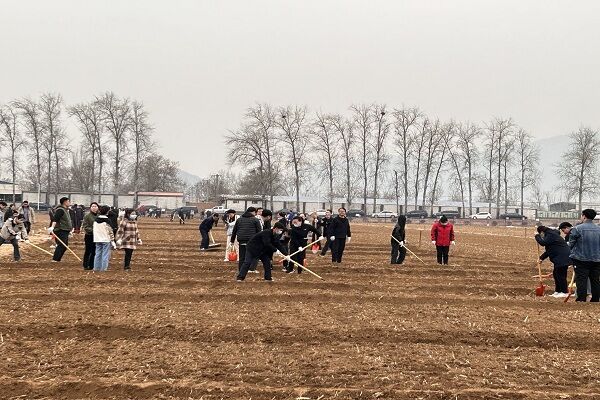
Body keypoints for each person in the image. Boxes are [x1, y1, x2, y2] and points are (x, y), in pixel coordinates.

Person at [567, 209, 600, 302]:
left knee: (581, 280)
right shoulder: (599, 229)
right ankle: (596, 299)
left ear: (584, 216)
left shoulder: (577, 229)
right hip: (597, 259)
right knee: (595, 280)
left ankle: (581, 299)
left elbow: (571, 244)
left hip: (581, 259)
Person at [535, 226, 571, 297]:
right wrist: (541, 258)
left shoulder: (551, 235)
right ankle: (558, 291)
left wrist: (537, 236)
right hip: (559, 258)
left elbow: (543, 243)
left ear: (542, 232)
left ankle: (564, 292)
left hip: (562, 257)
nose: (542, 237)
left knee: (560, 275)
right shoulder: (550, 235)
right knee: (556, 274)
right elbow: (549, 250)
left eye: (541, 235)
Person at [48, 197, 73, 262]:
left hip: (65, 230)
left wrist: (70, 230)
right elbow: (55, 219)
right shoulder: (60, 210)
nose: (69, 203)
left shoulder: (66, 210)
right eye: (68, 201)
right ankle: (55, 259)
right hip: (60, 230)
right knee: (61, 245)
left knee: (65, 245)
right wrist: (52, 227)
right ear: (65, 202)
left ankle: (58, 259)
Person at [93, 205, 116, 272]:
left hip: (97, 239)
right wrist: (112, 240)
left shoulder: (96, 220)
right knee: (105, 255)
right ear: (107, 212)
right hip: (106, 239)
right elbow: (110, 231)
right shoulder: (107, 220)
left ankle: (96, 268)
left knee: (97, 254)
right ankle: (103, 269)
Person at [81, 202, 99, 270]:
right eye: (92, 206)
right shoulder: (87, 216)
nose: (94, 208)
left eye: (95, 206)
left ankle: (92, 265)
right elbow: (85, 226)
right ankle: (86, 265)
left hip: (97, 236)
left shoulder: (99, 216)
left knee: (94, 250)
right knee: (88, 250)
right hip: (89, 235)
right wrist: (94, 230)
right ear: (90, 208)